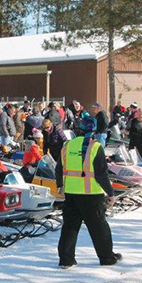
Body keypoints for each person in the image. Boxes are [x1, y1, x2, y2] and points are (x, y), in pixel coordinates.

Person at [55, 115, 120, 268]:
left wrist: (60, 185)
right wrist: (110, 193)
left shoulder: (68, 145)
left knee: (70, 227)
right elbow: (101, 174)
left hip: (71, 193)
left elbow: (59, 168)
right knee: (99, 227)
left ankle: (66, 259)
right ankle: (107, 257)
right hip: (91, 194)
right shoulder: (95, 147)